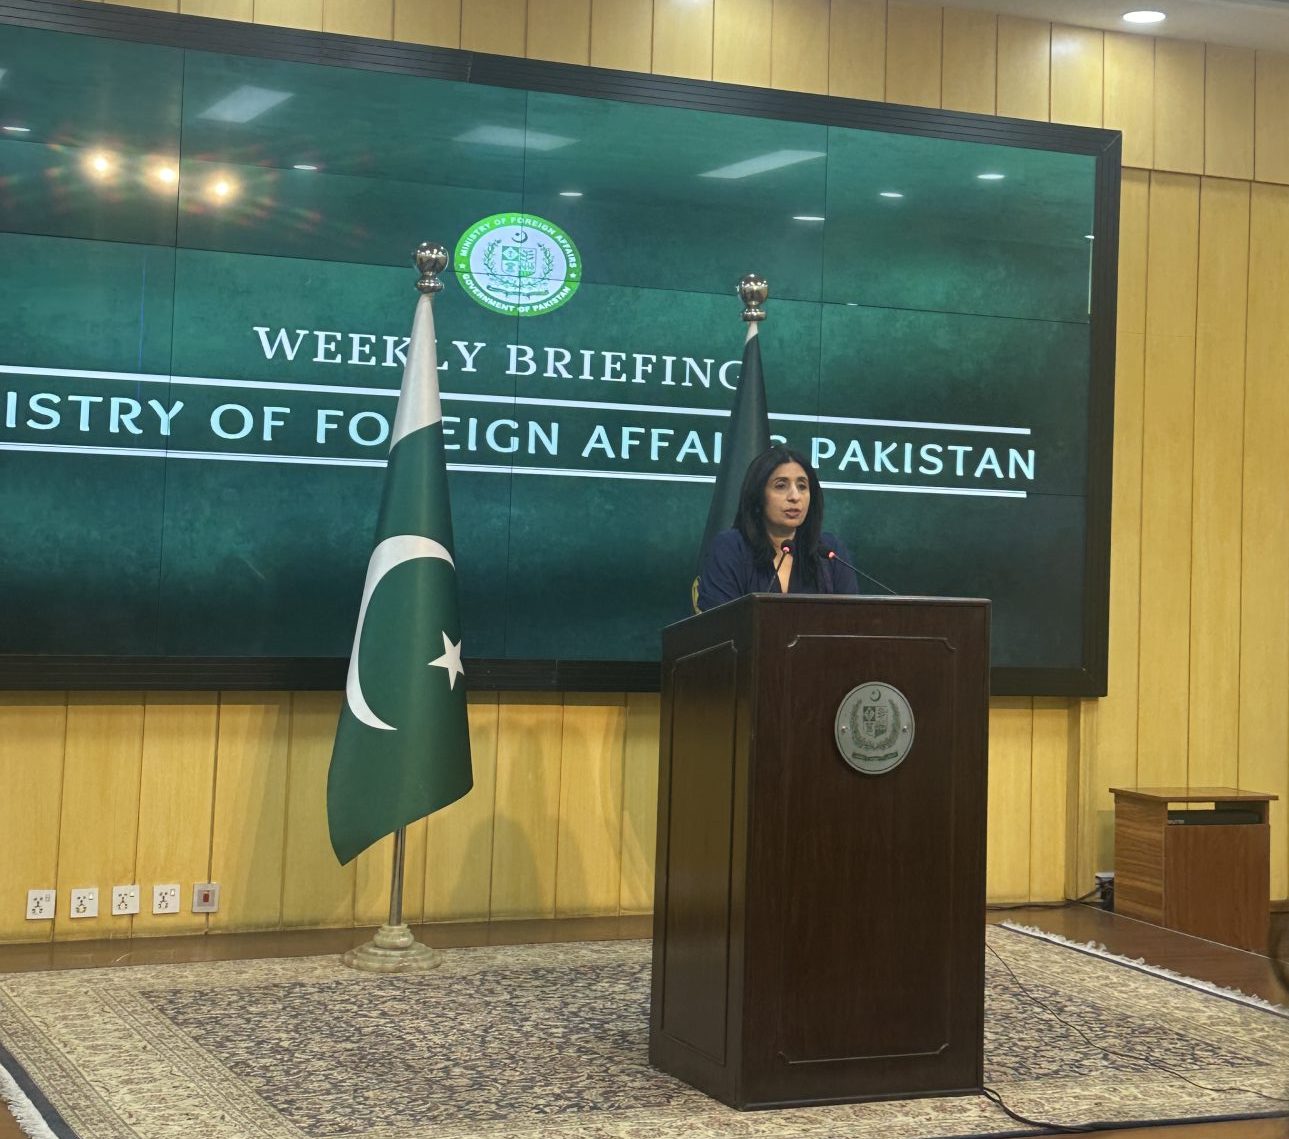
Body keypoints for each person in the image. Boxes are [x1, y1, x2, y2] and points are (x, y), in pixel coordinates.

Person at [696, 445, 860, 611]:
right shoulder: (730, 548)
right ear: (758, 495)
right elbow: (718, 627)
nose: (795, 497)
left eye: (802, 486)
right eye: (781, 486)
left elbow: (853, 623)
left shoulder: (829, 552)